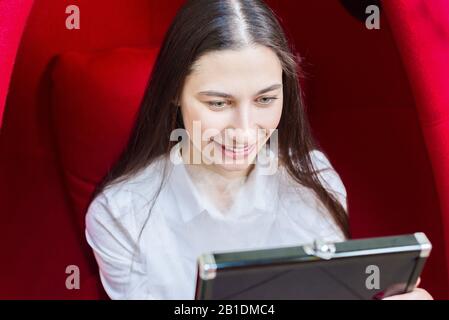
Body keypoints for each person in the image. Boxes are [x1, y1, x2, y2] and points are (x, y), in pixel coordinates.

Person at [85, 0, 432, 300]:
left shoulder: (314, 180)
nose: (245, 130)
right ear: (174, 92)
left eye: (265, 99)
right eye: (219, 103)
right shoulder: (121, 215)